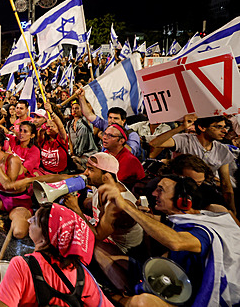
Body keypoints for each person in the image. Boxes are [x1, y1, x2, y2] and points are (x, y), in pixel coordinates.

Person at [101, 175, 240, 306]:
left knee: (140, 302)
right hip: (170, 279)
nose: (154, 194)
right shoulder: (182, 219)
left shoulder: (203, 232)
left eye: (160, 190)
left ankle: (113, 298)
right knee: (100, 249)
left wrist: (126, 207)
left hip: (191, 298)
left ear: (183, 201)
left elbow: (175, 242)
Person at [0, 203, 113, 307]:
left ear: (45, 239)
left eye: (35, 220)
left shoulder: (21, 266)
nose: (29, 220)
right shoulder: (83, 275)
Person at [62, 152, 143, 293]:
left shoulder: (117, 204)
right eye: (87, 168)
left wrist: (76, 209)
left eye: (91, 170)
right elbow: (65, 179)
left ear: (106, 176)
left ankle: (124, 292)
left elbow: (98, 235)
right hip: (106, 234)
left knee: (94, 245)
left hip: (124, 249)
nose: (86, 173)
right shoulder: (102, 185)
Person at [150, 114, 236, 214]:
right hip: (177, 191)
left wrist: (232, 210)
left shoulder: (223, 150)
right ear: (202, 127)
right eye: (218, 127)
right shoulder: (184, 140)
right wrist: (182, 127)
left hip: (204, 192)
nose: (224, 131)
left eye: (225, 127)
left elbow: (226, 184)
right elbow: (154, 143)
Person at [75, 87, 141, 156]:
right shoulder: (107, 126)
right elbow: (89, 115)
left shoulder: (132, 135)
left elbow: (131, 153)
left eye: (116, 118)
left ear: (123, 121)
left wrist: (112, 139)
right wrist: (81, 98)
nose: (112, 121)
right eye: (110, 118)